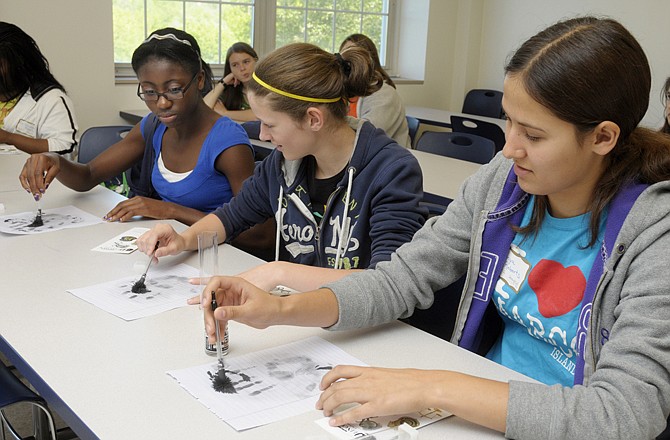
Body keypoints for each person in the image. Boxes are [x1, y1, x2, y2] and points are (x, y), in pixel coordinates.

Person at [193, 17, 670, 439]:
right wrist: (281, 308)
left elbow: (625, 413)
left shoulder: (654, 234)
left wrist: (435, 386)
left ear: (603, 137)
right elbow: (401, 278)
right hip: (481, 407)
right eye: (508, 121)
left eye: (535, 135)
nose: (508, 149)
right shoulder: (502, 186)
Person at [137, 42, 427, 293]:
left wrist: (277, 273)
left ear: (314, 119)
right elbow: (232, 216)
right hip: (300, 312)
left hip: (364, 329)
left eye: (270, 124)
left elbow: (387, 281)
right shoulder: (283, 163)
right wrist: (183, 239)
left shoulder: (391, 172)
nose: (262, 135)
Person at [19, 28, 257, 227]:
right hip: (169, 249)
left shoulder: (227, 143)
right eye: (149, 92)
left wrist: (171, 211)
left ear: (200, 80)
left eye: (174, 89)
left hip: (218, 260)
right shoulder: (154, 126)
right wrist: (55, 161)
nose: (162, 103)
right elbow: (88, 176)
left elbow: (258, 233)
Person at [0, 22, 78, 155]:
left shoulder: (50, 100)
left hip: (26, 175)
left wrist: (8, 138)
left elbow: (65, 148)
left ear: (18, 64)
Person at [339, 34, 410, 148]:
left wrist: (332, 121)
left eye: (356, 56)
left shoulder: (384, 93)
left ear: (369, 61)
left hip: (388, 160)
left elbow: (368, 135)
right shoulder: (343, 91)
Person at [203, 42, 258, 122]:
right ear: (230, 69)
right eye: (235, 65)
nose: (242, 68)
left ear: (256, 60)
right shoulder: (230, 90)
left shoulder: (268, 86)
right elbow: (204, 108)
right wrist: (223, 82)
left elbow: (260, 115)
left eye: (246, 62)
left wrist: (225, 113)